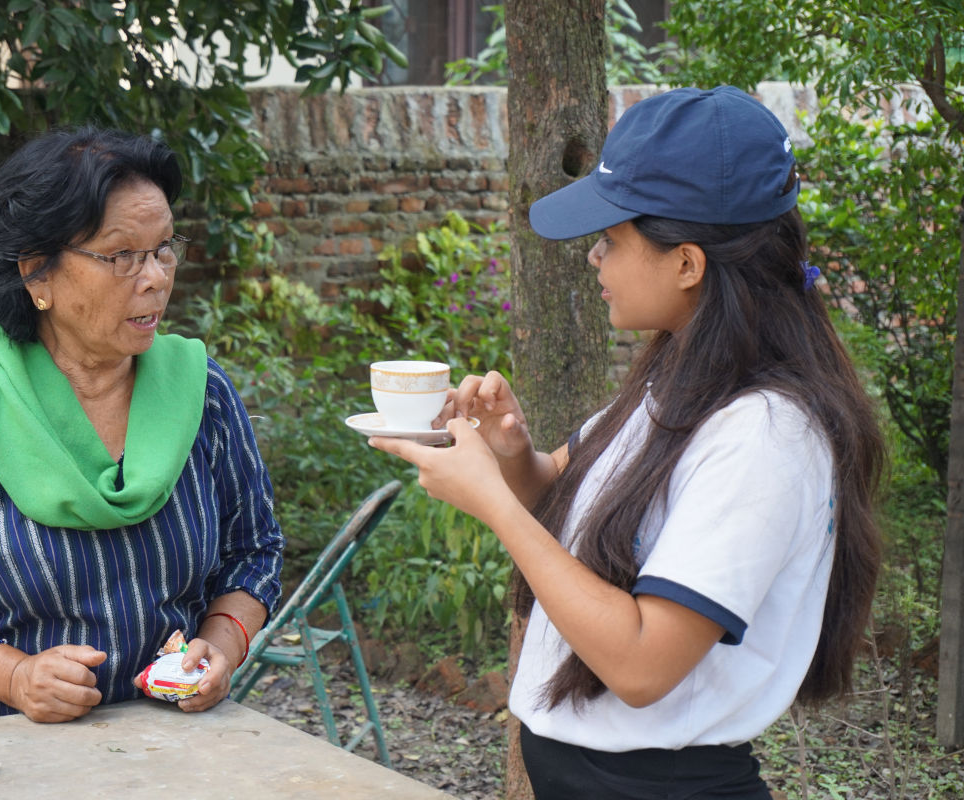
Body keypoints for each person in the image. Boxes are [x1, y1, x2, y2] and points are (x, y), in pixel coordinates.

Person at [369, 86, 884, 798]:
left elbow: (643, 663)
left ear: (687, 263)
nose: (594, 259)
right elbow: (565, 501)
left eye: (612, 239)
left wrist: (496, 506)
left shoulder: (766, 437)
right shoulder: (681, 375)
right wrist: (511, 456)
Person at [0, 127, 284, 723]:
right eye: (121, 255)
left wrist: (224, 646)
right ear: (37, 275)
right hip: (11, 754)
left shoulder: (199, 391)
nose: (155, 276)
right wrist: (13, 675)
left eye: (163, 248)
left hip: (179, 746)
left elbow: (253, 550)